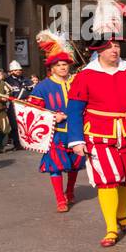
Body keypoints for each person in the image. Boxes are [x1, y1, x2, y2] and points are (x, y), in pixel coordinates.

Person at [65, 0, 126, 247]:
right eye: (110, 46)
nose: (115, 49)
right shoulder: (85, 76)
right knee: (108, 179)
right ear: (98, 50)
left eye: (117, 44)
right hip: (99, 134)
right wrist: (75, 139)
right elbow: (75, 110)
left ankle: (122, 214)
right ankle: (111, 227)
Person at [28, 30, 85, 212]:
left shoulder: (77, 81)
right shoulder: (42, 87)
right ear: (51, 68)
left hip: (76, 131)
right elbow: (32, 111)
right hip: (55, 134)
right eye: (59, 65)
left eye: (65, 64)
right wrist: (53, 116)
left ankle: (69, 191)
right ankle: (60, 199)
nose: (63, 67)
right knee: (56, 166)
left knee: (75, 165)